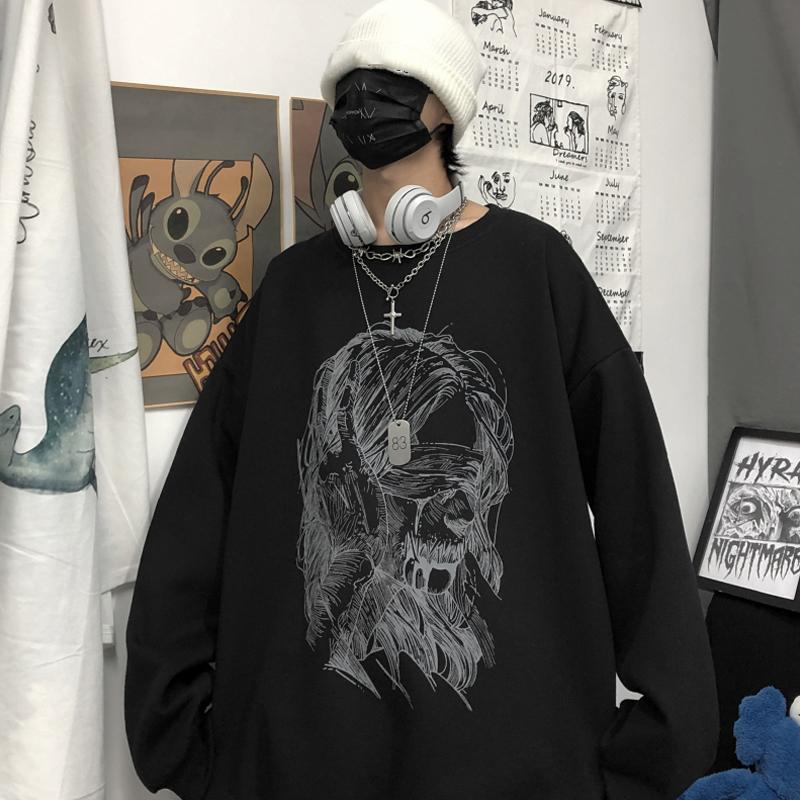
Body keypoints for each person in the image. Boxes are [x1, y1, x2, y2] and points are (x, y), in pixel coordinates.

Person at [123, 0, 720, 798]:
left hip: (512, 775)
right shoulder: (294, 291)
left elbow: (636, 504)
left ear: (448, 106)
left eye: (396, 80)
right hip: (304, 768)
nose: (366, 98)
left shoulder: (536, 272)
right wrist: (187, 744)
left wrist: (654, 750)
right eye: (351, 82)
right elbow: (199, 513)